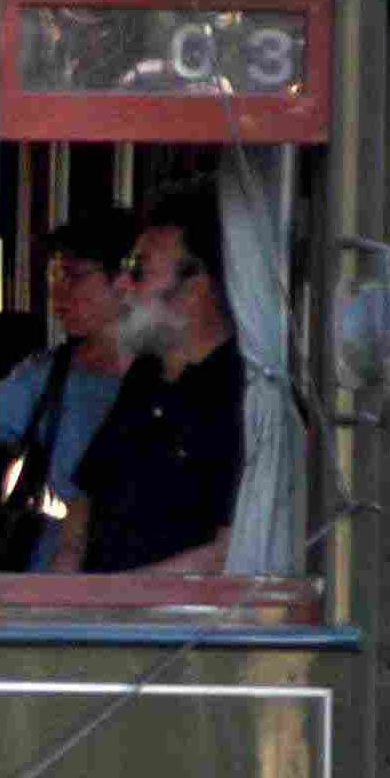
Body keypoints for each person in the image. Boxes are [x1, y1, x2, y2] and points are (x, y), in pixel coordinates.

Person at [65, 200, 244, 579]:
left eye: (138, 272)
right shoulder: (145, 375)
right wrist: (64, 576)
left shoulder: (245, 394)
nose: (122, 286)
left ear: (194, 288)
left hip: (180, 631)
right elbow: (87, 493)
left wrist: (115, 598)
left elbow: (230, 552)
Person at [0, 207, 133, 574]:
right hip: (55, 567)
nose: (57, 292)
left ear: (123, 281)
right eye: (54, 275)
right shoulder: (46, 377)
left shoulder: (173, 379)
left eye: (73, 277)